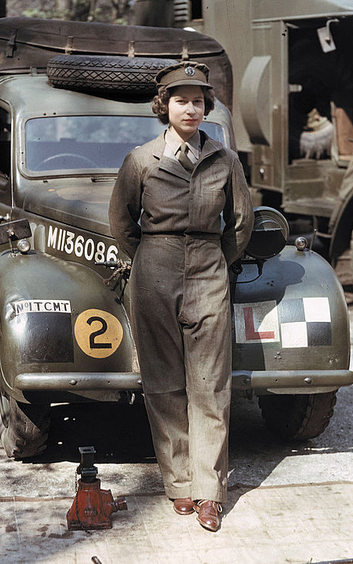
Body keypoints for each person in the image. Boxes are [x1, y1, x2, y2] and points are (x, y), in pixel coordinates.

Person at [108, 61, 254, 532]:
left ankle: (209, 491)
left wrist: (215, 261)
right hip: (154, 270)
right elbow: (122, 225)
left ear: (207, 106)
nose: (190, 109)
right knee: (165, 384)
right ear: (163, 106)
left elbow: (241, 223)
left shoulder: (224, 160)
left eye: (198, 101)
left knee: (210, 384)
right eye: (180, 100)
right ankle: (180, 484)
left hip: (209, 270)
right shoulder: (140, 160)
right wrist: (152, 259)